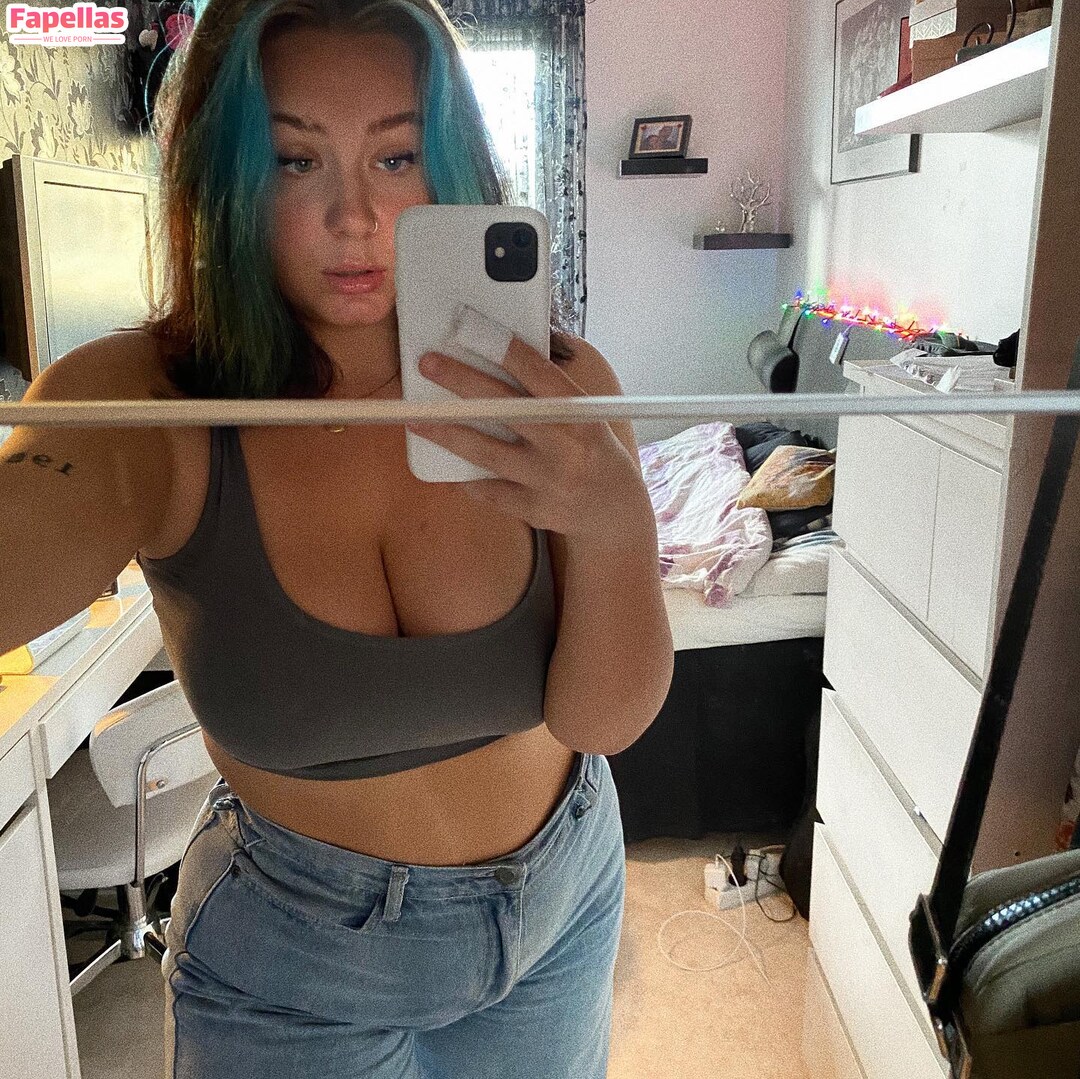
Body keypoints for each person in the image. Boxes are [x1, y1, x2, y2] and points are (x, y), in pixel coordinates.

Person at [0, 0, 674, 1076]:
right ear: (222, 179)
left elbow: (605, 718)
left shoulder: (554, 388)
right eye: (293, 161)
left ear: (450, 165)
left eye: (396, 155)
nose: (354, 216)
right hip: (291, 970)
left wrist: (615, 521)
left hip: (560, 907)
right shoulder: (145, 408)